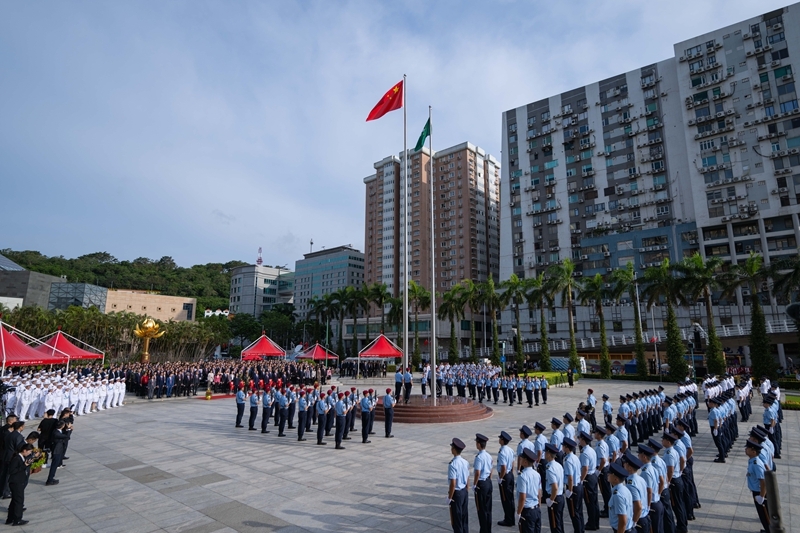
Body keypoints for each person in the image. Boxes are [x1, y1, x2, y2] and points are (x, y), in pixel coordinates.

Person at [6, 443, 34, 526]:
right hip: (16, 483)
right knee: (19, 501)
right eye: (29, 451)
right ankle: (17, 519)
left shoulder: (22, 457)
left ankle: (10, 518)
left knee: (14, 501)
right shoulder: (17, 458)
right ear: (24, 450)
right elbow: (12, 471)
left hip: (18, 482)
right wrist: (24, 465)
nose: (29, 453)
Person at [516, 448, 542, 533]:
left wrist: (518, 513)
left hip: (527, 511)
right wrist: (539, 507)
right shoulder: (537, 474)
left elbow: (522, 497)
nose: (520, 460)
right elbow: (539, 493)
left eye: (522, 458)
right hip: (536, 509)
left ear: (525, 461)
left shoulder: (522, 476)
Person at [744, 440, 769, 532]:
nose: (746, 449)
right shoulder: (752, 461)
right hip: (757, 491)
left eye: (748, 448)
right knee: (762, 514)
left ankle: (769, 530)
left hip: (759, 492)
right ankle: (768, 529)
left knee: (764, 514)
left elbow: (763, 481)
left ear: (754, 452)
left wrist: (761, 496)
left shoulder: (756, 464)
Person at [448, 438, 470, 533]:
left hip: (456, 493)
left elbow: (453, 483)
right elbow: (468, 477)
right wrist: (467, 489)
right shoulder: (465, 462)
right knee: (464, 517)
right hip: (464, 491)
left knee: (456, 520)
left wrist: (450, 497)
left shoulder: (452, 464)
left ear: (454, 449)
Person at [578, 431, 599, 531]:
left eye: (580, 439)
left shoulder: (584, 453)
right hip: (593, 476)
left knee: (589, 502)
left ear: (583, 440)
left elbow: (585, 468)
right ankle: (596, 522)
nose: (579, 440)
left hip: (588, 478)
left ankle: (592, 523)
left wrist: (581, 480)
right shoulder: (591, 450)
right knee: (594, 501)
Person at [473, 433, 493, 533]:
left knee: (481, 509)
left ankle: (484, 530)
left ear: (479, 444)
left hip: (481, 484)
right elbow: (491, 469)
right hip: (488, 482)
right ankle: (488, 529)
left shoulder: (479, 457)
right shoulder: (489, 455)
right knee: (488, 509)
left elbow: (477, 472)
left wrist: (474, 484)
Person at [544, 443, 565, 533]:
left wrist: (551, 500)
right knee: (559, 523)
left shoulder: (550, 468)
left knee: (555, 526)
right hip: (560, 497)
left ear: (549, 454)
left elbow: (555, 487)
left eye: (545, 452)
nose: (544, 454)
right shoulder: (558, 465)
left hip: (555, 498)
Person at [496, 431, 516, 527]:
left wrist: (501, 478)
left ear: (502, 440)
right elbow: (512, 463)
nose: (499, 440)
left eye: (500, 438)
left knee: (506, 499)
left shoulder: (502, 452)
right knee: (510, 498)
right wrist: (510, 473)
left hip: (504, 476)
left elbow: (503, 467)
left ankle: (508, 520)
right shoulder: (510, 450)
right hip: (510, 475)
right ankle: (511, 518)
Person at [607, 463, 634, 533]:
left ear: (615, 479)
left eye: (610, 474)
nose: (608, 474)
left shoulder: (618, 495)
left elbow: (622, 521)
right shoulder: (624, 489)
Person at [46, 420, 71, 486]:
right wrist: (68, 429)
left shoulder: (58, 431)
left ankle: (51, 478)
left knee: (55, 465)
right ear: (62, 426)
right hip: (56, 451)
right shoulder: (56, 433)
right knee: (54, 466)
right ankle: (50, 480)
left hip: (58, 450)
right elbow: (67, 437)